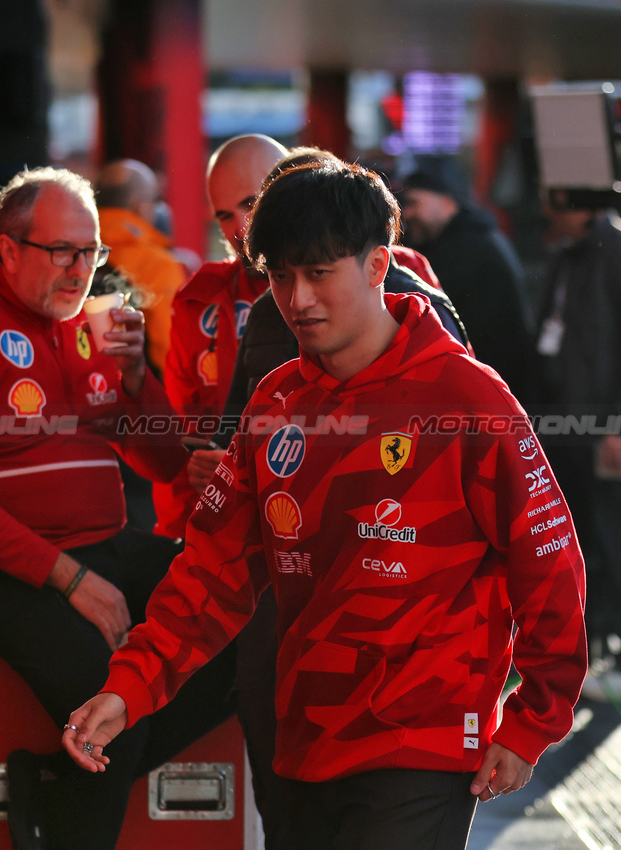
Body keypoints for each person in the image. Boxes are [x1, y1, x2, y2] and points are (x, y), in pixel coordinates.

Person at [61, 161, 588, 850]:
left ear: (376, 267)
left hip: (423, 743)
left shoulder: (468, 399)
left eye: (317, 272)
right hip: (304, 737)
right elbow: (209, 571)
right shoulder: (274, 402)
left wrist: (529, 724)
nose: (297, 297)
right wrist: (128, 688)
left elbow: (547, 563)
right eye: (280, 276)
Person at [0, 167, 236, 850]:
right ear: (8, 248)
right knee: (112, 701)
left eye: (91, 252)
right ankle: (74, 789)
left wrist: (139, 382)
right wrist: (69, 579)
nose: (80, 270)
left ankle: (55, 779)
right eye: (62, 252)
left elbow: (165, 465)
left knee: (246, 619)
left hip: (107, 543)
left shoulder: (95, 328)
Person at [207, 146, 470, 850]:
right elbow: (237, 443)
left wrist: (527, 712)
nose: (299, 296)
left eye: (250, 209)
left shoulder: (420, 318)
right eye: (226, 216)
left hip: (402, 668)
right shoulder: (268, 316)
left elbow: (499, 514)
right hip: (286, 641)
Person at [534, 197, 621, 705]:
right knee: (582, 543)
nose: (549, 213)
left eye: (558, 203)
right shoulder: (568, 254)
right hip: (569, 427)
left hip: (614, 427)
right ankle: (590, 654)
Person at [155, 134, 287, 540]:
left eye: (251, 203)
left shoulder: (381, 276)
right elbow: (181, 438)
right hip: (223, 539)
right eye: (225, 215)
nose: (241, 228)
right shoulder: (197, 301)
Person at [399, 161, 535, 401]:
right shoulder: (475, 237)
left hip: (490, 394)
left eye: (414, 202)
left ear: (448, 202)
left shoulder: (466, 248)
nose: (407, 214)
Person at [95, 159, 187, 377]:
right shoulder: (158, 265)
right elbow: (168, 351)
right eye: (155, 200)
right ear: (140, 205)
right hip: (134, 393)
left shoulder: (77, 252)